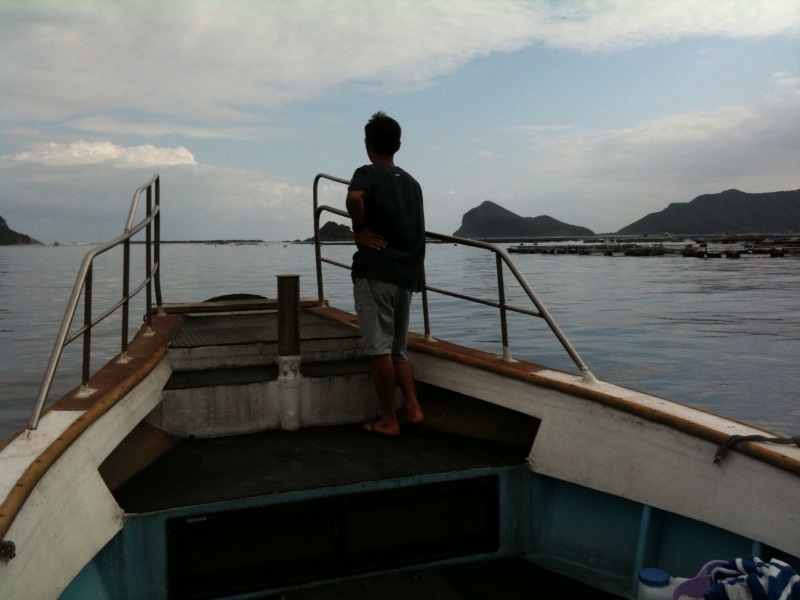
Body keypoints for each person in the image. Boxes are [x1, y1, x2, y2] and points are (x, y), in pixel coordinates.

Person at [346, 111, 426, 437]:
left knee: (379, 350)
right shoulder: (412, 184)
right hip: (406, 275)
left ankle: (389, 421)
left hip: (376, 271)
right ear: (398, 145)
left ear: (368, 144)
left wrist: (359, 229)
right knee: (398, 350)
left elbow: (354, 197)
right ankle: (413, 407)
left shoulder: (366, 173)